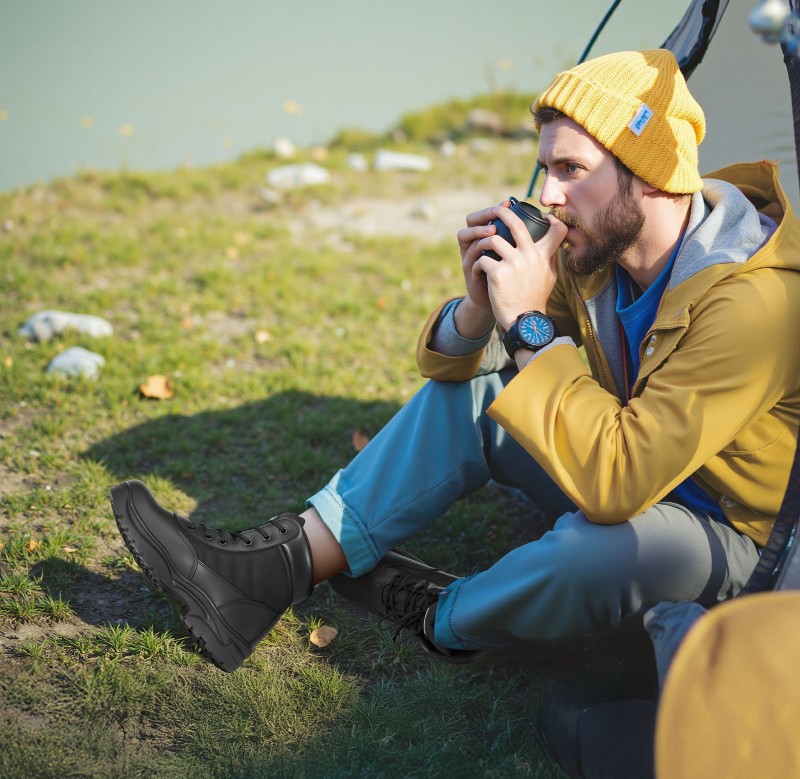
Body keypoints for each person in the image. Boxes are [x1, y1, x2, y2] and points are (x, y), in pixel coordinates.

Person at [109, 49, 800, 673]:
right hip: (631, 459)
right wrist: (478, 309)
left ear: (649, 177)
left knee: (600, 550)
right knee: (476, 397)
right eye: (547, 167)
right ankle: (270, 570)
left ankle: (442, 616)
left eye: (572, 170)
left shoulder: (754, 303)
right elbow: (452, 376)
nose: (550, 196)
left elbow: (617, 486)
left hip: (740, 534)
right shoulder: (601, 253)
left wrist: (530, 323)